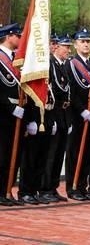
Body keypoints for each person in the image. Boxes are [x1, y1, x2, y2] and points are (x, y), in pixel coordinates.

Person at [65, 28, 90, 201]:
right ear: (76, 44)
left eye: (88, 41)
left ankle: (83, 186)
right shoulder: (71, 64)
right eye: (82, 41)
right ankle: (73, 187)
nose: (86, 44)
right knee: (74, 152)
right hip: (77, 116)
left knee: (87, 153)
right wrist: (81, 110)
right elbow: (70, 90)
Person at [39, 34, 72, 203]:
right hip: (53, 114)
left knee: (59, 154)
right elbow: (50, 93)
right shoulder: (50, 64)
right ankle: (44, 188)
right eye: (65, 46)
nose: (68, 49)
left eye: (68, 46)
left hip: (63, 116)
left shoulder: (64, 66)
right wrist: (49, 119)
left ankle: (52, 187)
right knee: (50, 154)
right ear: (56, 47)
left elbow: (66, 91)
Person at [0, 23, 25, 206]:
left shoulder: (17, 59)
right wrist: (10, 107)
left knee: (12, 156)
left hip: (17, 116)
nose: (20, 39)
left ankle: (7, 191)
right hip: (3, 115)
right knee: (1, 155)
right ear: (8, 37)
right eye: (18, 35)